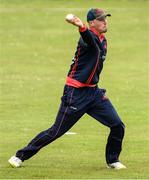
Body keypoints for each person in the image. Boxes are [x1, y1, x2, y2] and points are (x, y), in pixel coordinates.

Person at [8, 8, 126, 170]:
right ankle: (19, 156)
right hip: (75, 93)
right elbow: (89, 40)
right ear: (92, 23)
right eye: (101, 19)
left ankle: (112, 160)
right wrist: (81, 27)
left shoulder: (103, 40)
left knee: (117, 125)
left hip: (93, 92)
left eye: (106, 18)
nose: (105, 21)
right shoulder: (87, 39)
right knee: (56, 131)